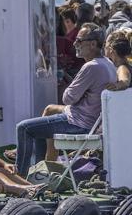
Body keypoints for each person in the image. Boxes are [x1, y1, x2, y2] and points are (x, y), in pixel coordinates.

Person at [15, 23, 117, 176]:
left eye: (79, 41)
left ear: (93, 44)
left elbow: (68, 98)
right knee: (49, 111)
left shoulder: (91, 66)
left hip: (80, 123)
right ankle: (41, 171)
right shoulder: (107, 63)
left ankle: (20, 177)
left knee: (24, 128)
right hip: (92, 121)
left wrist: (75, 89)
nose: (75, 44)